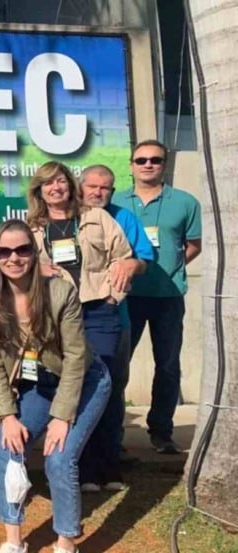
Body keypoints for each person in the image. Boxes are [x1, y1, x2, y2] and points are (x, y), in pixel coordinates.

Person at [0, 220, 111, 553]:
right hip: (38, 384)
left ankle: (65, 542)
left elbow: (77, 358)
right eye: (5, 251)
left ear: (34, 254)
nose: (14, 258)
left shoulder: (60, 292)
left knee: (58, 459)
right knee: (5, 449)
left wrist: (62, 417)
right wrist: (6, 415)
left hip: (85, 380)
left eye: (22, 249)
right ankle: (13, 541)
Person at [25, 161, 133, 490]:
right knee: (75, 388)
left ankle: (109, 466)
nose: (55, 188)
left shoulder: (95, 218)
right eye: (48, 184)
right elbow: (22, 272)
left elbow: (123, 257)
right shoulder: (32, 229)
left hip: (98, 311)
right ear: (39, 191)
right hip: (58, 317)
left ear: (71, 186)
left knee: (105, 385)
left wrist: (113, 297)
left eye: (61, 182)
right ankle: (84, 468)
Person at [111, 139, 202, 454]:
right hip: (127, 297)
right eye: (141, 160)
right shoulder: (117, 202)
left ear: (164, 164)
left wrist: (170, 269)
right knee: (119, 364)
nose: (148, 165)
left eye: (155, 160)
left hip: (168, 296)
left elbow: (193, 245)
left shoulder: (185, 202)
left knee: (167, 364)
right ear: (131, 165)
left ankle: (161, 431)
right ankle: (113, 436)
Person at [79, 164, 154, 488]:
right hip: (75, 322)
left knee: (111, 391)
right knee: (79, 394)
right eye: (92, 186)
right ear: (80, 187)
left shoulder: (124, 218)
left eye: (105, 188)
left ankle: (110, 466)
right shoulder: (71, 219)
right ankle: (83, 469)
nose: (98, 192)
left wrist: (131, 263)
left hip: (114, 322)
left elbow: (145, 260)